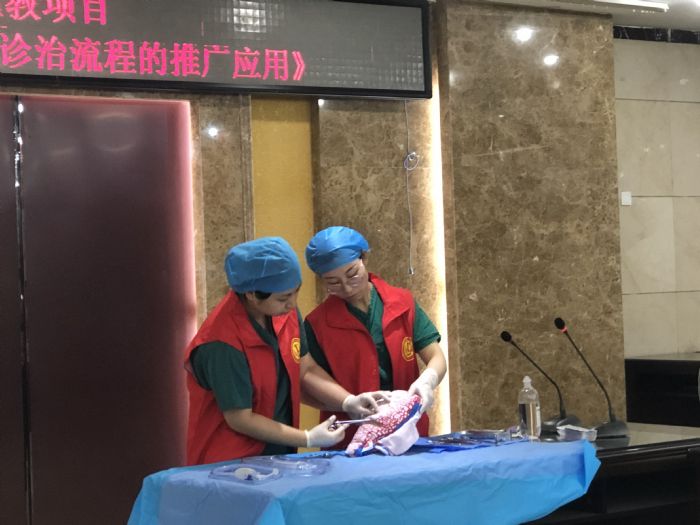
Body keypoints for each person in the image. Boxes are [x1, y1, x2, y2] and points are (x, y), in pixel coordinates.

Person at [184, 236, 386, 465]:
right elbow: (240, 418)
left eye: (295, 291)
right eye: (284, 298)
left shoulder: (281, 312)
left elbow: (306, 369)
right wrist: (307, 438)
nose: (292, 303)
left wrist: (348, 401)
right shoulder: (221, 344)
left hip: (276, 455)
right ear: (251, 294)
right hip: (226, 463)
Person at [304, 226, 447, 447]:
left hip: (408, 432)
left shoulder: (402, 303)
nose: (346, 287)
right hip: (350, 439)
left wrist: (427, 380)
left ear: (364, 257)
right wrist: (346, 402)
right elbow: (308, 381)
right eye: (333, 282)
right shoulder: (317, 324)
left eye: (352, 273)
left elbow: (436, 357)